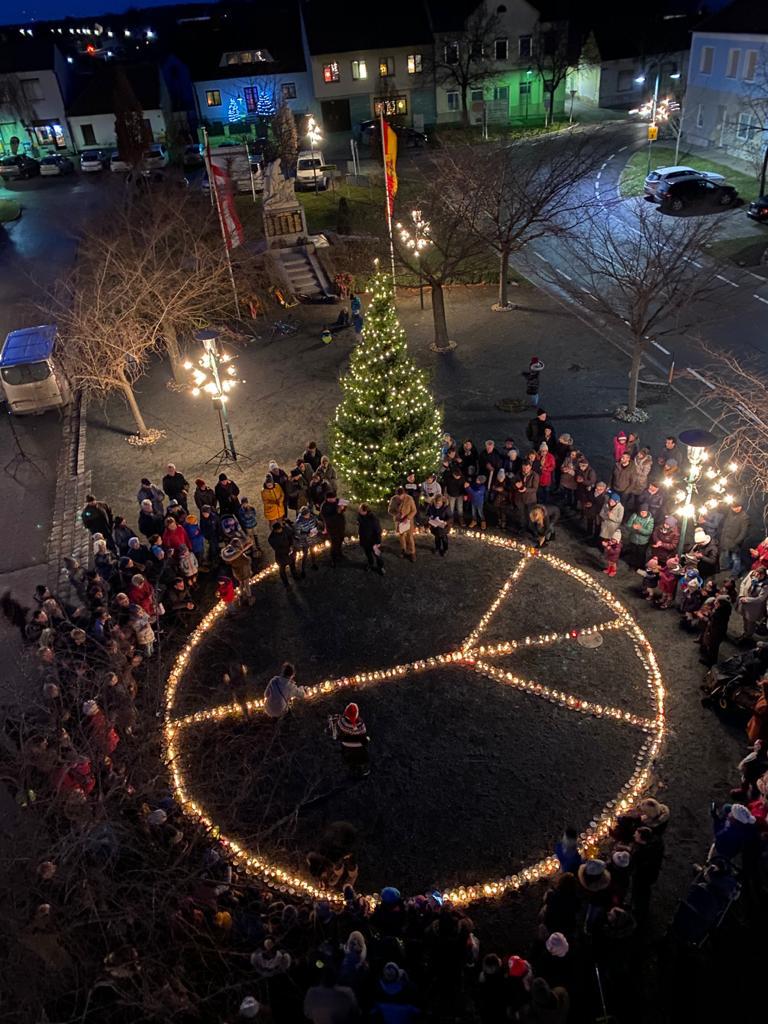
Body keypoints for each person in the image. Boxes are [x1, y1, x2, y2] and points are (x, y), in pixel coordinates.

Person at [336, 702, 370, 778]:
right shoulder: (360, 724)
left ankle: (352, 769)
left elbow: (339, 728)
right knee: (362, 754)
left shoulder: (342, 722)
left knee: (349, 757)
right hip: (359, 746)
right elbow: (363, 734)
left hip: (346, 744)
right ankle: (363, 771)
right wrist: (367, 740)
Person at [698, 594, 732, 666]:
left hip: (715, 633)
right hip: (718, 632)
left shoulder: (718, 614)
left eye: (717, 602)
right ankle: (710, 658)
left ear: (720, 604)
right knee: (713, 647)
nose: (715, 603)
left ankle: (710, 662)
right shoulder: (724, 610)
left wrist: (702, 617)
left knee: (712, 647)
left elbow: (712, 623)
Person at [719, 501, 750, 576]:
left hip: (735, 542)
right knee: (724, 556)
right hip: (726, 540)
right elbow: (726, 525)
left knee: (736, 558)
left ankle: (735, 573)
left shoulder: (744, 517)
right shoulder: (730, 513)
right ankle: (725, 570)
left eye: (738, 507)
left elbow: (743, 532)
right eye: (734, 507)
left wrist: (736, 542)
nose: (736, 509)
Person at [737, 566, 768, 639]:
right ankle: (745, 632)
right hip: (743, 601)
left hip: (753, 607)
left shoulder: (765, 585)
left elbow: (760, 598)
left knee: (750, 622)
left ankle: (748, 635)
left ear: (764, 575)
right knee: (744, 618)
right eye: (756, 574)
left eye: (760, 575)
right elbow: (743, 584)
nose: (757, 576)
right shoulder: (752, 574)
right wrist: (741, 595)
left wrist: (746, 599)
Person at [387, 486, 417, 562]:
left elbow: (414, 510)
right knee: (401, 536)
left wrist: (408, 517)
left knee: (410, 536)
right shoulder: (394, 499)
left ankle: (412, 552)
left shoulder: (409, 499)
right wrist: (397, 514)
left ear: (404, 494)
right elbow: (390, 510)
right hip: (399, 521)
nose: (400, 497)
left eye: (402, 495)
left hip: (408, 521)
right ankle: (403, 550)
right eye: (398, 496)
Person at [267, 520, 298, 586]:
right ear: (275, 530)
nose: (281, 531)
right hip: (281, 557)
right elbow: (277, 549)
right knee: (282, 570)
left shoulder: (285, 530)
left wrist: (292, 545)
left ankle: (295, 575)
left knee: (293, 565)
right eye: (279, 530)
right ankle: (286, 583)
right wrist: (288, 550)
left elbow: (291, 535)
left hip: (290, 553)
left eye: (281, 529)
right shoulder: (271, 538)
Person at [357, 504, 385, 575]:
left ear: (365, 511)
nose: (358, 511)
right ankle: (370, 564)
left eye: (360, 510)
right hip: (364, 540)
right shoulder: (360, 516)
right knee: (368, 553)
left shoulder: (373, 519)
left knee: (377, 554)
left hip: (373, 541)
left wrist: (378, 542)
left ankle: (380, 567)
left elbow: (378, 531)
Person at [293, 505, 321, 576]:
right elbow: (297, 534)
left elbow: (316, 524)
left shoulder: (312, 517)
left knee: (313, 551)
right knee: (305, 554)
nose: (308, 515)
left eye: (309, 513)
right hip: (305, 541)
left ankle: (314, 564)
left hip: (312, 539)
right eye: (307, 515)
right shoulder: (298, 523)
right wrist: (307, 534)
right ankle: (303, 570)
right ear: (303, 515)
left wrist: (316, 529)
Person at [321, 494, 347, 567]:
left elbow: (345, 504)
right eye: (333, 499)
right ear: (328, 499)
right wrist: (337, 512)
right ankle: (333, 559)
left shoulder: (338, 500)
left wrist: (343, 507)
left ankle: (340, 553)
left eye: (335, 498)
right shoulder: (324, 506)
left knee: (341, 539)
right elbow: (327, 518)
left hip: (341, 525)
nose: (335, 499)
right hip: (332, 527)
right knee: (335, 543)